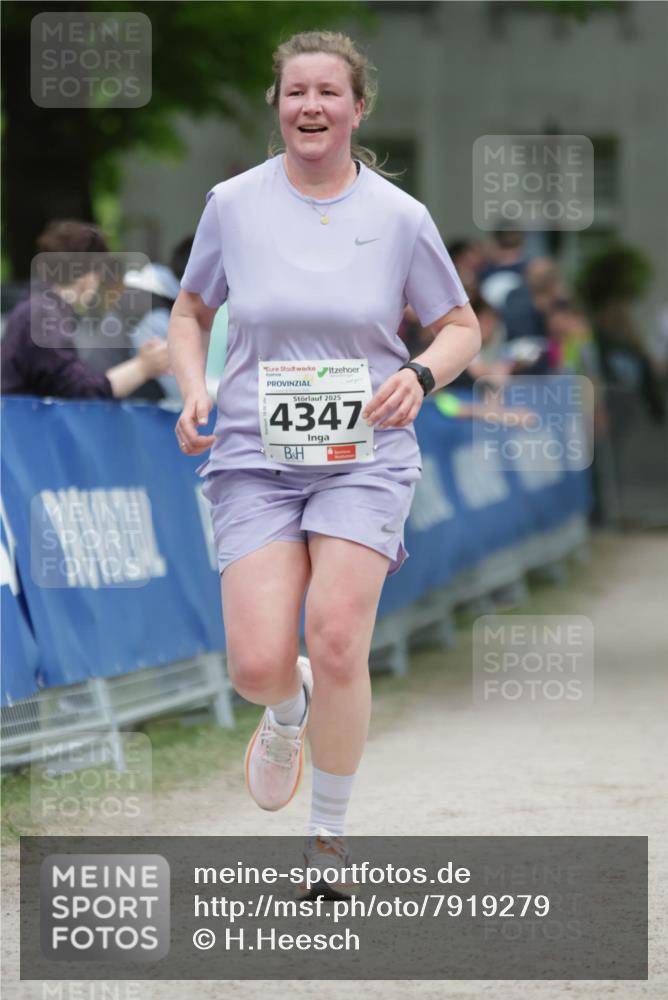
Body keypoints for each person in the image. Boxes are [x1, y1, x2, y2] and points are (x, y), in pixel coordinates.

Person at [167, 30, 480, 892]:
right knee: (259, 663)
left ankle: (328, 842)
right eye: (295, 91)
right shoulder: (232, 204)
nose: (311, 106)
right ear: (277, 104)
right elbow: (190, 311)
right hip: (252, 456)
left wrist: (419, 374)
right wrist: (194, 387)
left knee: (338, 639)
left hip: (366, 454)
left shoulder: (398, 217)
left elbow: (461, 328)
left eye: (328, 93)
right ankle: (284, 709)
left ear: (356, 108)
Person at [1, 220, 169, 399]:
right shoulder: (42, 313)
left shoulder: (37, 307)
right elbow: (78, 392)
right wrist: (143, 367)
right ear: (89, 276)